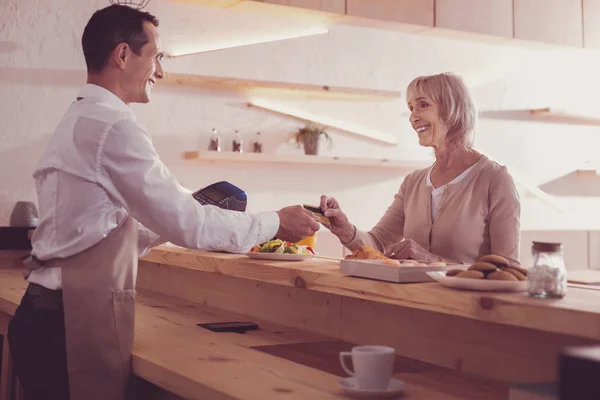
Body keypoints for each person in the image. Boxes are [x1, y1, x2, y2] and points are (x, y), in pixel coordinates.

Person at [7, 4, 319, 400]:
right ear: (123, 55)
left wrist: (179, 213)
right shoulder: (114, 125)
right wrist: (275, 222)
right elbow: (192, 226)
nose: (161, 71)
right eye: (156, 57)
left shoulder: (82, 116)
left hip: (47, 314)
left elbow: (100, 229)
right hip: (67, 324)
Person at [320, 72, 520, 265]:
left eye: (423, 105)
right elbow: (377, 244)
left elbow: (508, 270)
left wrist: (432, 260)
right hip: (410, 300)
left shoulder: (495, 179)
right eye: (411, 108)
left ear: (453, 110)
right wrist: (344, 228)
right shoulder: (413, 183)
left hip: (466, 301)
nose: (412, 118)